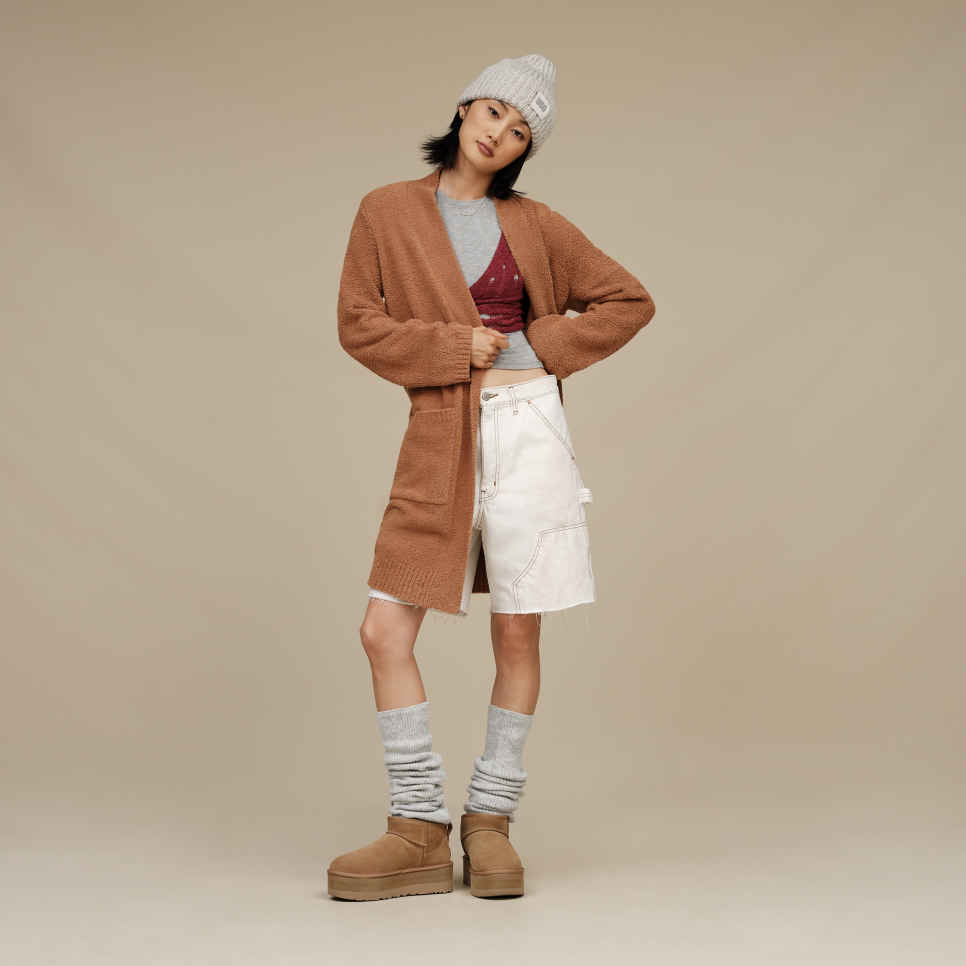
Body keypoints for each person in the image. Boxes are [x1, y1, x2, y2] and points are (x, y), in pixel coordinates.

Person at [328, 53, 655, 900]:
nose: (500, 133)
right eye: (495, 112)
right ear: (466, 105)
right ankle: (417, 825)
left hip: (531, 432)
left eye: (520, 131)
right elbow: (358, 324)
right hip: (441, 435)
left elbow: (628, 300)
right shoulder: (387, 210)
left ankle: (490, 820)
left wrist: (540, 346)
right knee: (384, 629)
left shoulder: (535, 223)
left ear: (523, 151)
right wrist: (450, 347)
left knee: (516, 634)